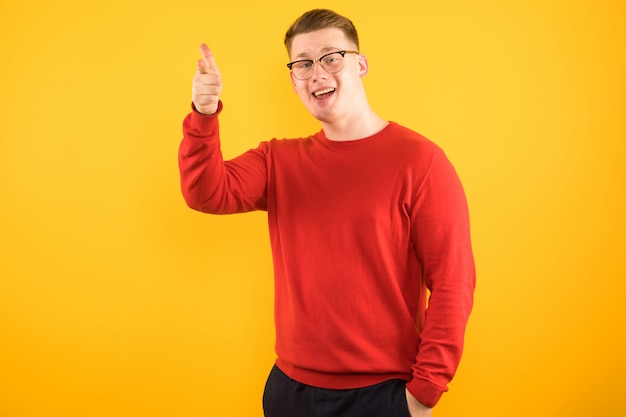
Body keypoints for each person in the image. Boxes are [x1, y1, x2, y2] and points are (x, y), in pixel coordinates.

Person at [178, 8, 475, 417]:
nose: (317, 73)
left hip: (382, 393)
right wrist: (204, 113)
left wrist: (424, 391)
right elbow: (206, 193)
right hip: (289, 391)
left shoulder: (420, 161)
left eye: (331, 57)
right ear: (293, 80)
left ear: (361, 64)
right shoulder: (278, 160)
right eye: (303, 63)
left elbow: (453, 282)